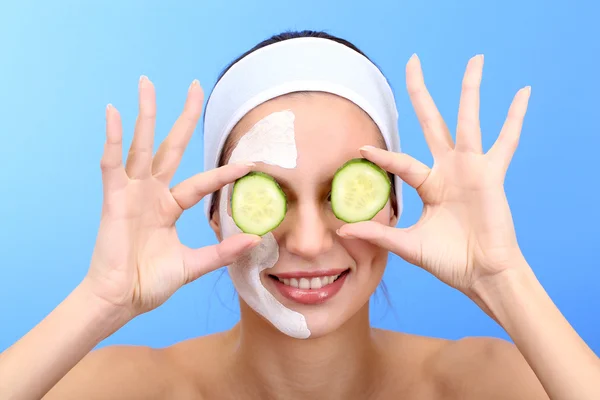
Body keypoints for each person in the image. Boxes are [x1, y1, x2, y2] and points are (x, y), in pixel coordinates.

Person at [0, 30, 598, 400]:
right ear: (214, 213)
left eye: (346, 192)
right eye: (267, 197)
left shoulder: (487, 385)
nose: (310, 242)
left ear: (394, 206)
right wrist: (100, 299)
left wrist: (504, 279)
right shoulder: (128, 391)